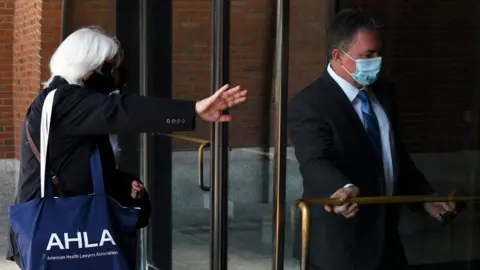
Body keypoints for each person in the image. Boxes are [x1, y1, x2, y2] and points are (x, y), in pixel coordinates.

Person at [6, 27, 248, 266]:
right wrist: (193, 109)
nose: (115, 76)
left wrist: (123, 185)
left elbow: (77, 164)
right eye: (109, 67)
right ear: (89, 67)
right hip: (57, 230)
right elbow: (122, 110)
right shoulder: (64, 100)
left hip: (66, 227)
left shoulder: (70, 104)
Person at [288, 9, 456, 270]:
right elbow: (314, 161)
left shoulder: (384, 93)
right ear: (337, 57)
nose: (377, 61)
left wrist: (424, 195)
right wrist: (340, 188)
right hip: (338, 245)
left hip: (387, 238)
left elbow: (393, 153)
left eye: (379, 53)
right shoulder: (310, 103)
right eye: (368, 56)